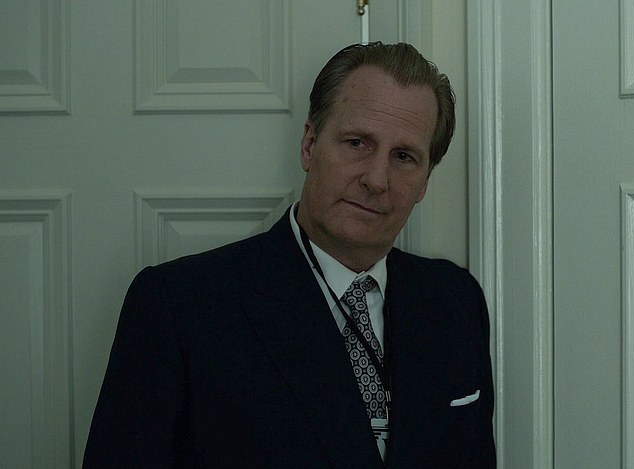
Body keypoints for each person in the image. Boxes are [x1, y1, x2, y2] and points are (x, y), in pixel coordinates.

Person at [84, 42, 496, 468]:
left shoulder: (457, 301)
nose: (376, 179)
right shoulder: (179, 305)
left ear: (425, 181)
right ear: (309, 145)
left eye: (404, 157)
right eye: (357, 142)